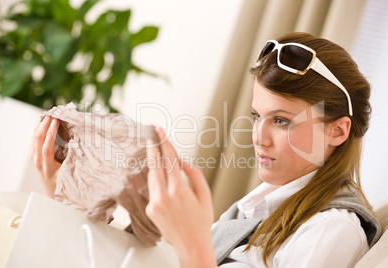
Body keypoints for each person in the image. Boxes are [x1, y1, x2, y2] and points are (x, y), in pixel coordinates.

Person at [31, 32, 381, 268]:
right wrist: (65, 194)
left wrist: (192, 241)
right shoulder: (257, 210)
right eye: (257, 116)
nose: (259, 137)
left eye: (282, 121)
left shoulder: (331, 230)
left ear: (338, 130)